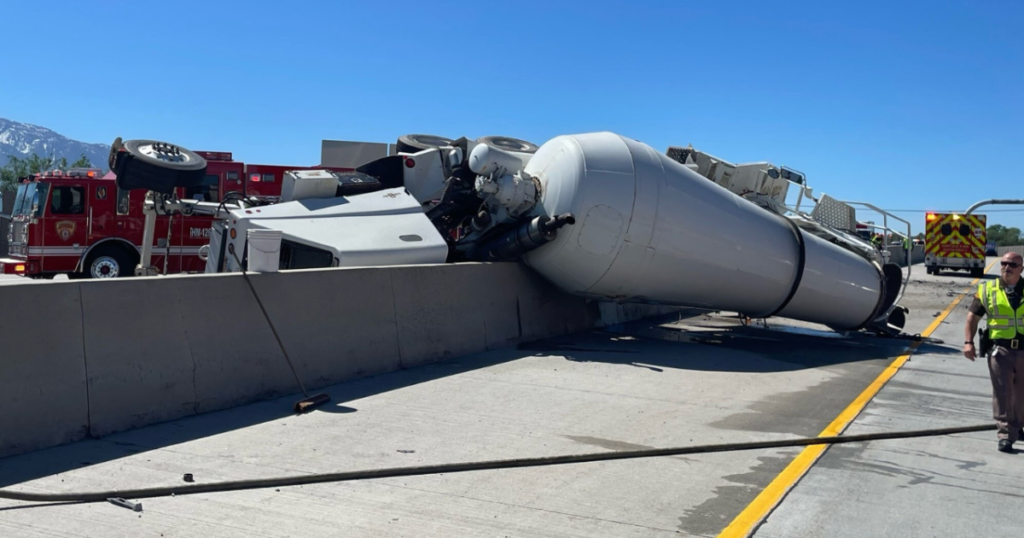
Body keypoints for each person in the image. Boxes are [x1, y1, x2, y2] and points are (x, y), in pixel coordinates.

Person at [964, 252, 1024, 453]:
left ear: (1021, 269)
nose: (1007, 267)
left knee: (1020, 394)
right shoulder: (987, 289)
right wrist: (968, 343)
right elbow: (972, 317)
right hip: (1000, 351)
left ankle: (1017, 425)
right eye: (1004, 263)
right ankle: (1006, 435)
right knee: (1003, 393)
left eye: (1013, 264)